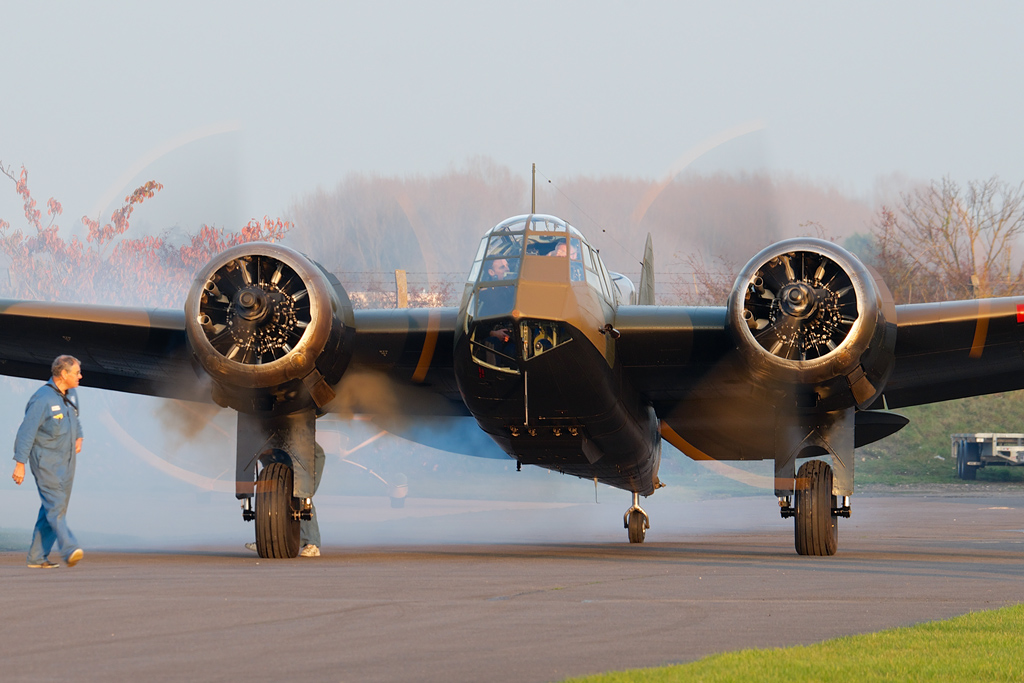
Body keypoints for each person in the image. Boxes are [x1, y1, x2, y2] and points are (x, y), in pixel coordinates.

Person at [11, 355, 85, 569]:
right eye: (76, 373)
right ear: (63, 374)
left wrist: (79, 436)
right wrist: (20, 463)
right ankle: (69, 548)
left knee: (53, 508)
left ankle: (36, 557)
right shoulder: (42, 399)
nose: (80, 376)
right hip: (45, 462)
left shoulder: (71, 395)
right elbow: (26, 431)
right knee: (55, 506)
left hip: (67, 462)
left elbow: (75, 417)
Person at [246, 441, 324, 557]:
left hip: (307, 457)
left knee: (301, 495)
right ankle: (267, 541)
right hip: (283, 456)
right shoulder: (266, 448)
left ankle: (312, 543)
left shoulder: (282, 440)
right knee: (271, 495)